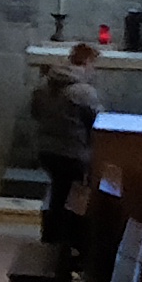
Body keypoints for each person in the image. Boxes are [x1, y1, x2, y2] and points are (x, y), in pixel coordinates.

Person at [23, 40, 104, 259]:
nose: (94, 71)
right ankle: (72, 243)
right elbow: (98, 122)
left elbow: (35, 113)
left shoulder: (43, 85)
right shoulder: (83, 92)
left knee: (58, 192)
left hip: (46, 151)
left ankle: (51, 238)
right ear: (87, 62)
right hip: (74, 153)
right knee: (75, 197)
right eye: (94, 65)